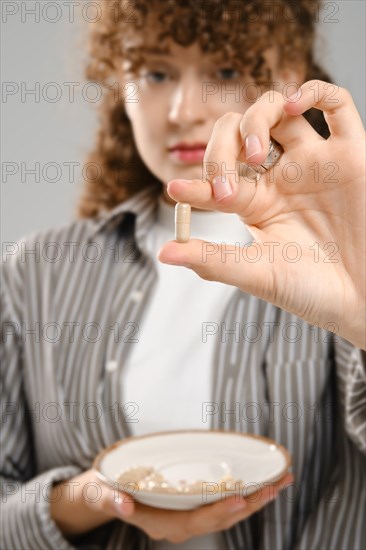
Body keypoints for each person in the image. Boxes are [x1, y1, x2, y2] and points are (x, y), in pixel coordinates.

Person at [1, 1, 365, 549]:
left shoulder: (345, 253)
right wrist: (85, 499)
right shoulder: (35, 274)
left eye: (225, 71)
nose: (182, 109)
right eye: (153, 73)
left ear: (289, 76)